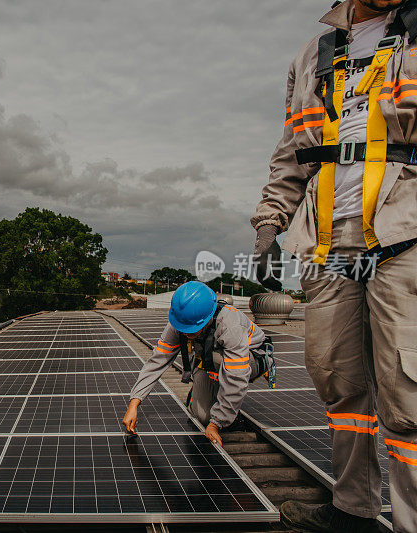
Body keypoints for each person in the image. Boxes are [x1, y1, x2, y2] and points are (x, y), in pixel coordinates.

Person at [252, 0, 417, 530]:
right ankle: (353, 510)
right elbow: (291, 152)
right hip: (326, 240)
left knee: (407, 390)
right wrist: (268, 224)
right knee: (338, 379)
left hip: (405, 229)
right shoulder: (313, 54)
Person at [122, 281, 275, 447]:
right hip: (210, 360)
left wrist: (217, 423)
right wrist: (134, 403)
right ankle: (207, 395)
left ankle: (229, 415)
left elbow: (237, 377)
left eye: (191, 330)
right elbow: (157, 361)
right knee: (201, 416)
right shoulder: (180, 321)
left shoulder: (229, 325)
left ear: (207, 319)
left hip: (251, 360)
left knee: (218, 363)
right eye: (183, 329)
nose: (186, 333)